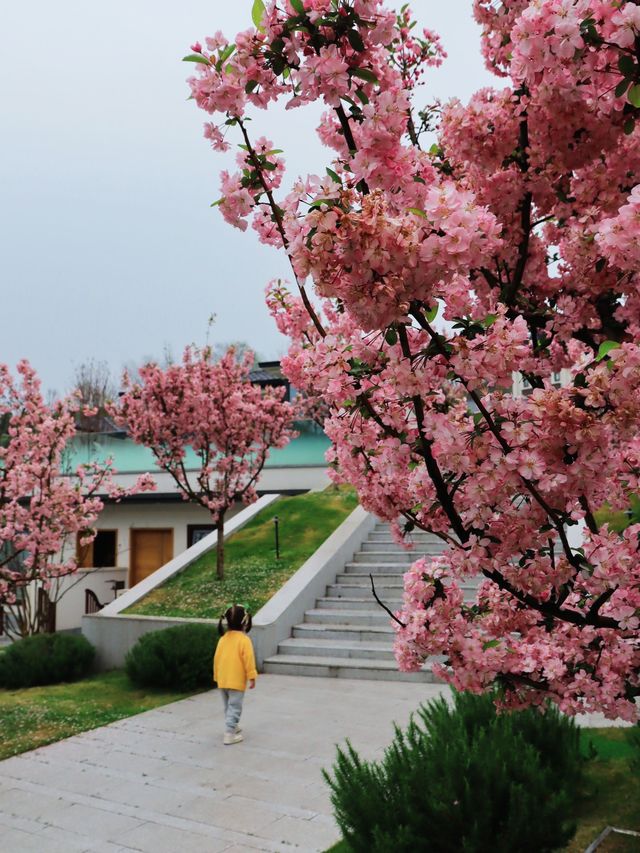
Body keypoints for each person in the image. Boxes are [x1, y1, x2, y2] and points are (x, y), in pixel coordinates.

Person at [214, 603, 257, 745]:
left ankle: (232, 725)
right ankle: (229, 734)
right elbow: (249, 660)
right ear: (245, 622)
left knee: (228, 705)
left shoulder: (222, 639)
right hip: (236, 680)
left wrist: (216, 676)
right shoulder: (244, 640)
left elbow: (217, 659)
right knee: (235, 706)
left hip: (223, 679)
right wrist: (252, 676)